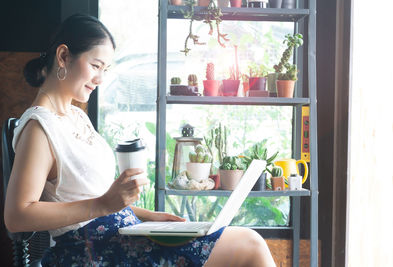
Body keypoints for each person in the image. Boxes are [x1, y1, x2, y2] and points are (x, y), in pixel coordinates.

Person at [4, 14, 276, 266]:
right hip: (93, 250)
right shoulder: (39, 127)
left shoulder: (76, 116)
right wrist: (102, 206)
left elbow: (93, 198)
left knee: (244, 241)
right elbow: (16, 216)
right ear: (63, 56)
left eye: (105, 69)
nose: (100, 78)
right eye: (95, 65)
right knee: (250, 245)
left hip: (123, 234)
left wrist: (150, 217)